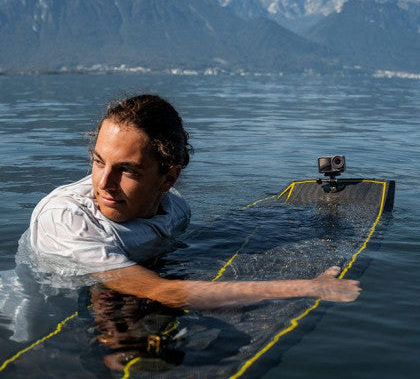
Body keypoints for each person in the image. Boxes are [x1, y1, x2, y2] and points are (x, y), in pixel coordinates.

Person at [18, 94, 361, 309]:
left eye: (127, 170)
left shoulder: (178, 209)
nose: (103, 183)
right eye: (98, 161)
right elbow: (166, 292)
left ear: (168, 178)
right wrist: (308, 287)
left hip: (128, 279)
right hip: (43, 309)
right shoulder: (66, 220)